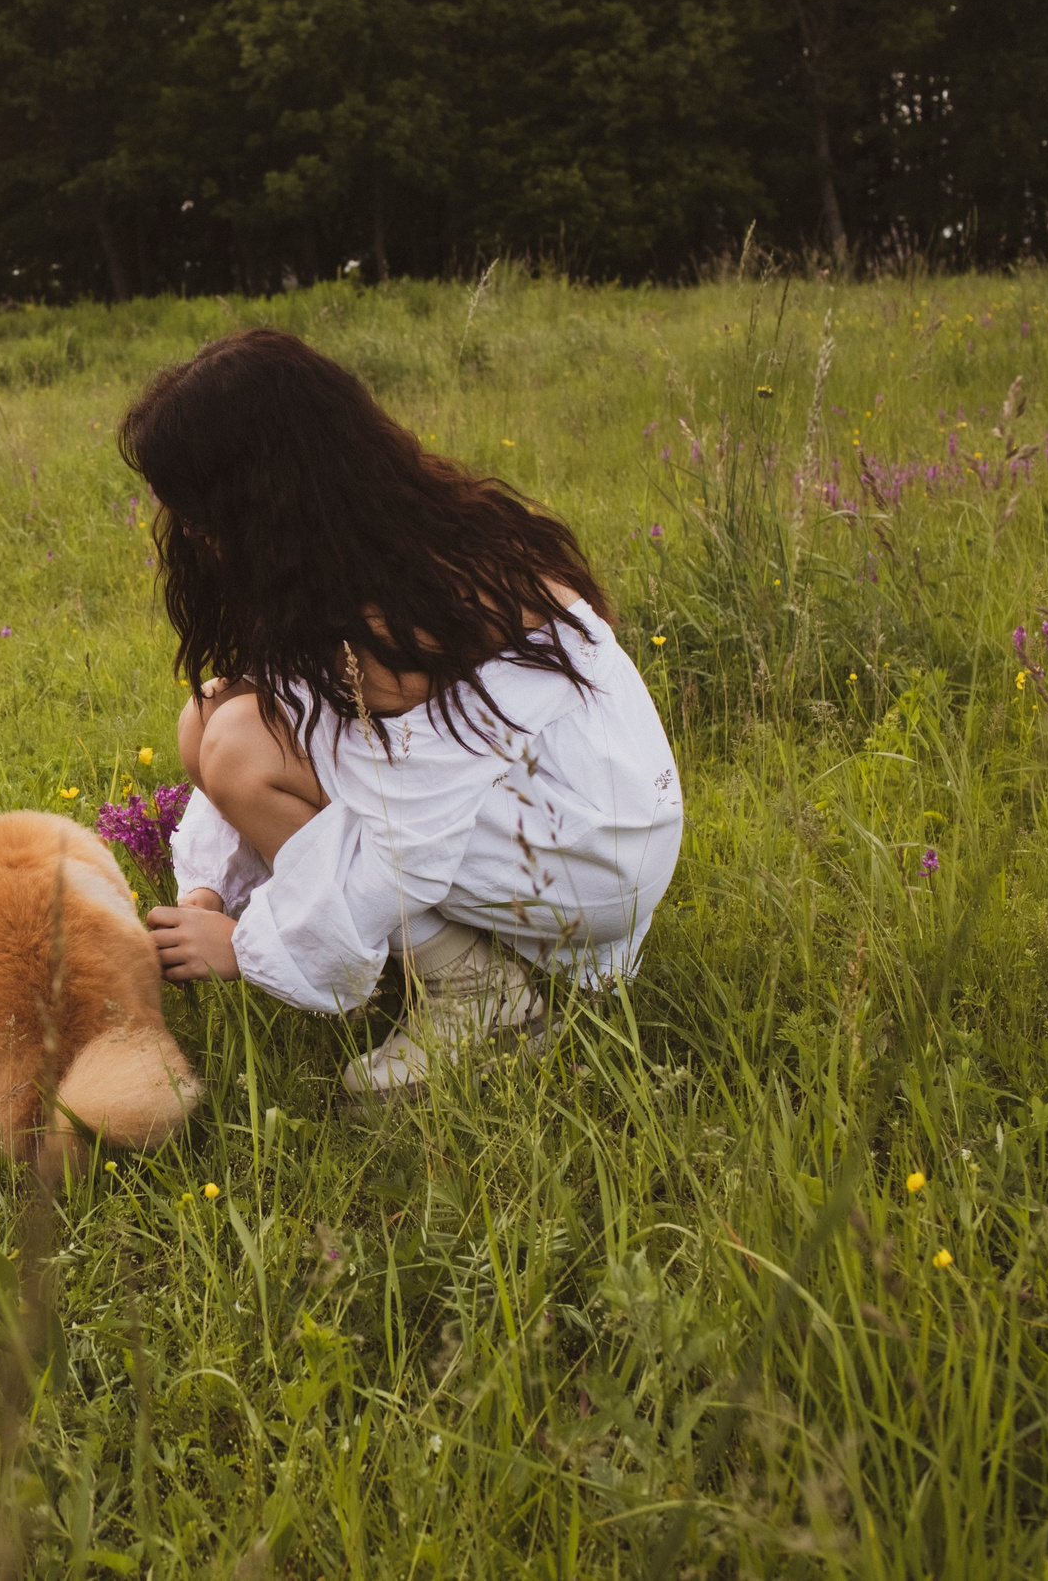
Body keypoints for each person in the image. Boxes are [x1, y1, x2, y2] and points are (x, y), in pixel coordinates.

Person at [124, 328, 683, 1101]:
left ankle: (478, 998)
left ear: (255, 498)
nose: (185, 528)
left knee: (238, 747)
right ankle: (452, 958)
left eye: (195, 508)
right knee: (214, 716)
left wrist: (246, 946)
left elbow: (402, 844)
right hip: (566, 808)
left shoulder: (396, 629)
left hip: (586, 850)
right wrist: (208, 888)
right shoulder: (378, 535)